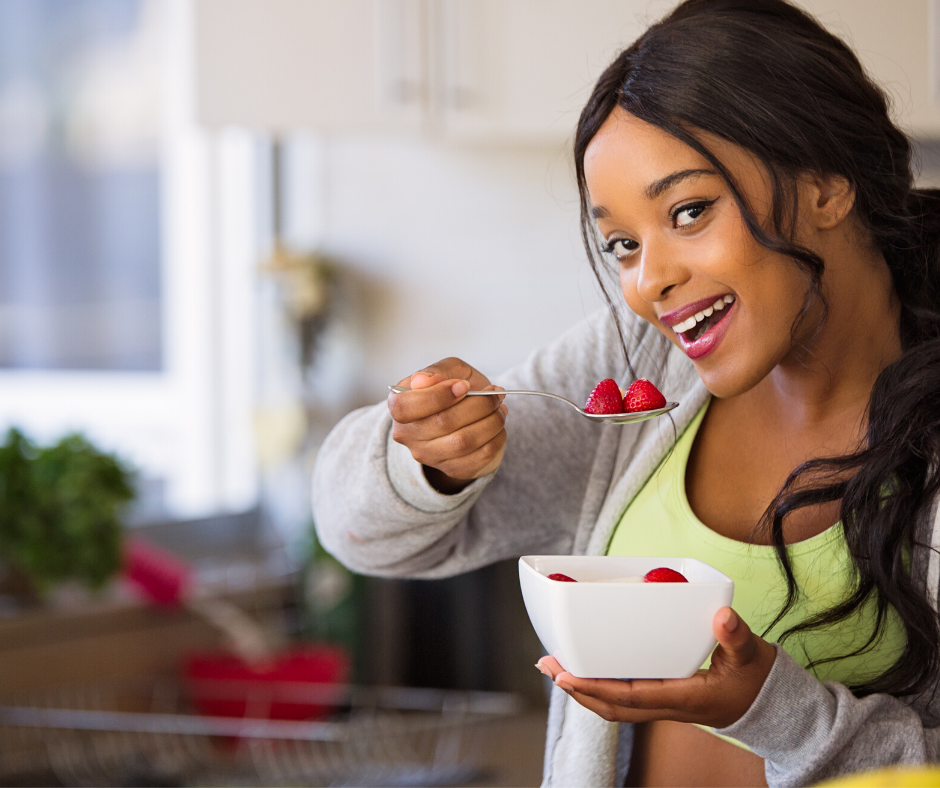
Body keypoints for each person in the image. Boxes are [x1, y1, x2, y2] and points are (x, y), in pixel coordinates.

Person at [312, 0, 940, 785]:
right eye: (622, 243)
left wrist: (772, 709)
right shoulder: (644, 363)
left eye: (689, 211)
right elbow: (358, 533)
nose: (650, 282)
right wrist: (430, 461)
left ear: (826, 186)